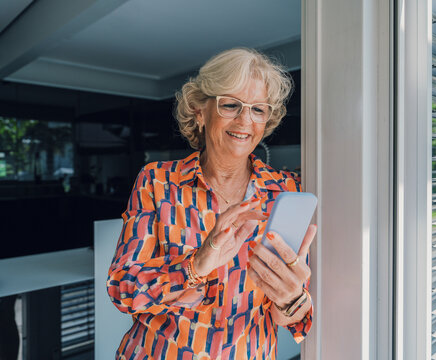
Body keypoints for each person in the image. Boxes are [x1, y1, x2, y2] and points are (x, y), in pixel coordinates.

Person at [107, 48, 316, 359]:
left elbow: (292, 322)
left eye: (258, 109)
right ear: (199, 110)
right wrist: (194, 266)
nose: (246, 120)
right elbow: (123, 290)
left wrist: (291, 299)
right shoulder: (158, 182)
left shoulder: (287, 190)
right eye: (231, 105)